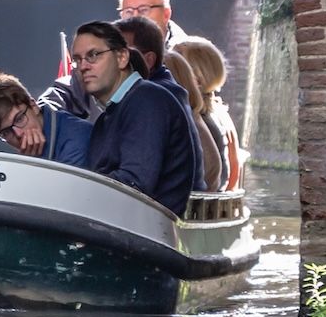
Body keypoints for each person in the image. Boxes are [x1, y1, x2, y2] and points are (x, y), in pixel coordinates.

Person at [73, 19, 195, 215]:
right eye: (77, 60)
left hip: (143, 228)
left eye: (93, 55)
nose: (83, 66)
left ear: (122, 57)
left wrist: (71, 193)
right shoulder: (108, 117)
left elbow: (134, 185)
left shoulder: (147, 100)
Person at [117, 16, 204, 190]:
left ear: (149, 60)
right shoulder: (162, 89)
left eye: (121, 55)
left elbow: (135, 179)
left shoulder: (152, 100)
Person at [0, 73, 92, 167]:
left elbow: (65, 189)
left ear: (33, 106)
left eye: (19, 119)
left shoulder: (77, 139)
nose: (18, 134)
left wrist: (33, 166)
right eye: (6, 132)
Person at [173, 37, 241, 190]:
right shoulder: (220, 113)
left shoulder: (192, 117)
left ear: (196, 80)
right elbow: (235, 168)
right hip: (218, 196)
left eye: (173, 67)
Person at [118, 0, 191, 44]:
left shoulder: (187, 51)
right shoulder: (115, 49)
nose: (135, 17)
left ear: (166, 14)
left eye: (143, 10)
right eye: (129, 11)